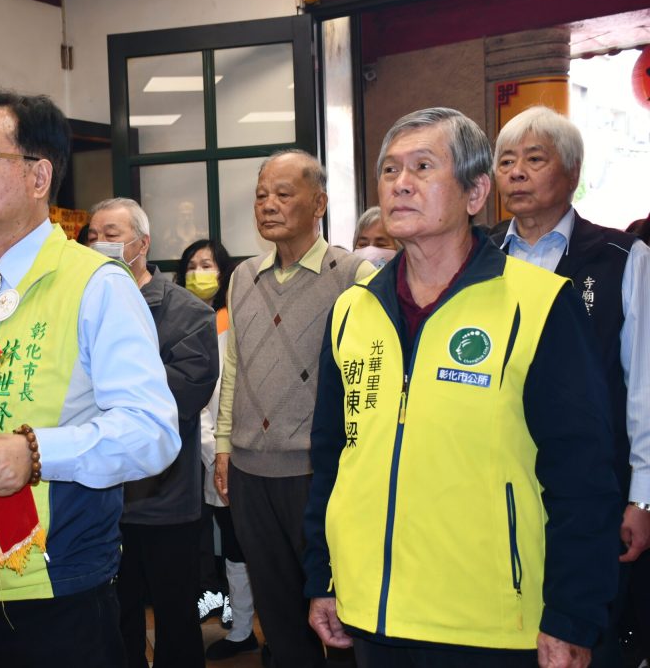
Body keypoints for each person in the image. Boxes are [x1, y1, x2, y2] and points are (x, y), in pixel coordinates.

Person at [304, 107, 619, 668]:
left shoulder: (538, 303)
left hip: (491, 624)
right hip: (373, 613)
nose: (401, 184)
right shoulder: (353, 311)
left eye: (423, 167)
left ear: (476, 193)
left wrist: (574, 613)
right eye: (391, 170)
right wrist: (323, 575)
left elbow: (583, 473)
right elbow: (332, 459)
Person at [0, 85, 180, 668]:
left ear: (39, 176)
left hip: (54, 585)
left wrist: (36, 453)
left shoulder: (97, 284)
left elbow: (153, 431)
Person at [491, 105, 650, 665]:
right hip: (499, 486)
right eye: (506, 161)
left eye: (535, 160)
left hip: (591, 485)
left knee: (583, 634)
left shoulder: (619, 259)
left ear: (573, 172)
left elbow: (643, 387)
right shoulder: (480, 259)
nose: (517, 173)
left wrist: (643, 494)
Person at [213, 149, 373, 668]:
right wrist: (222, 447)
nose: (269, 205)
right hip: (249, 471)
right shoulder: (242, 278)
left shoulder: (353, 274)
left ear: (319, 202)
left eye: (284, 194)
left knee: (338, 613)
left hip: (319, 473)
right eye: (261, 195)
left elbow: (369, 376)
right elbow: (233, 369)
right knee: (278, 619)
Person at [88, 198, 218, 668]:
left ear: (141, 244)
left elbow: (181, 397)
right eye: (93, 235)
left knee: (175, 617)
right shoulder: (86, 302)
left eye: (112, 233)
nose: (100, 243)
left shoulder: (187, 312)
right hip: (103, 492)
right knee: (113, 614)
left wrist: (107, 399)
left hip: (166, 496)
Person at [176, 239, 259, 661]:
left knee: (254, 545)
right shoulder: (182, 318)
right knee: (230, 545)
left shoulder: (234, 318)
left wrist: (218, 451)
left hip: (240, 451)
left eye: (206, 264)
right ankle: (241, 627)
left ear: (224, 271)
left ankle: (260, 628)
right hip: (203, 455)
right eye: (191, 265)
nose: (198, 272)